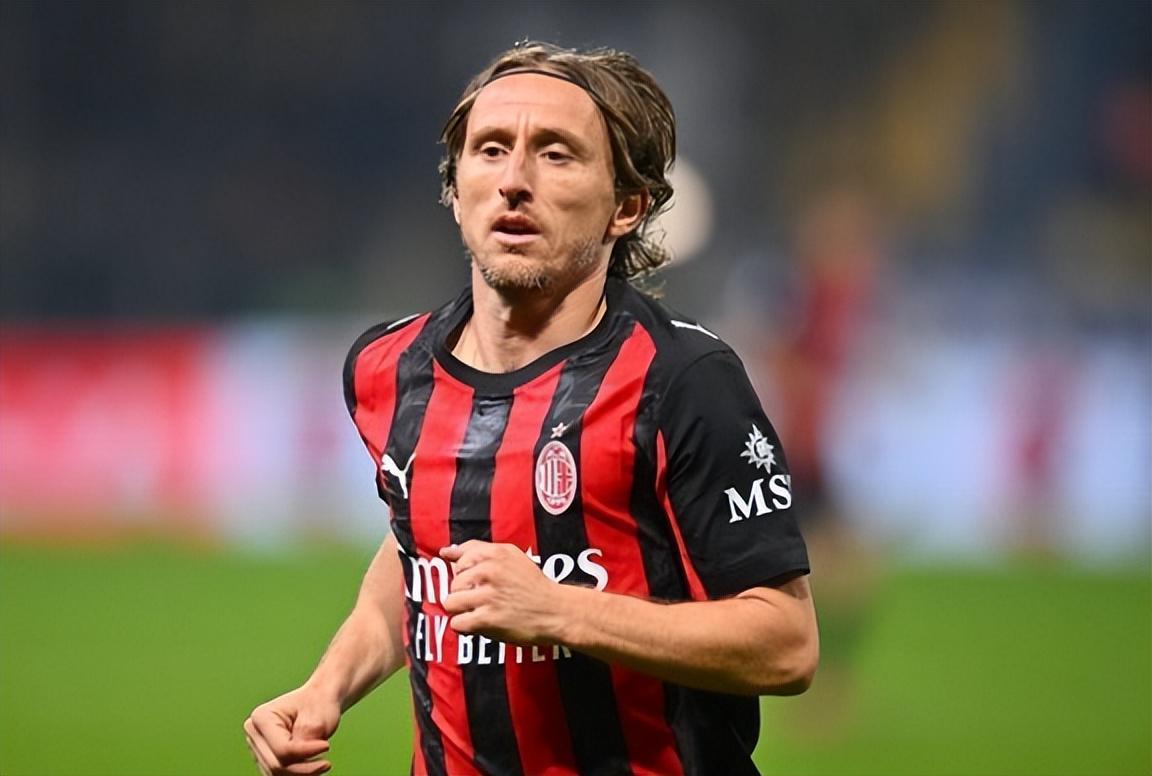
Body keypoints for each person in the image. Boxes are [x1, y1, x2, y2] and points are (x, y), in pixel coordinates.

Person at [244, 41, 818, 776]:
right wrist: (325, 689)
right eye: (490, 150)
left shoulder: (682, 380)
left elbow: (786, 643)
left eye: (556, 154)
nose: (514, 181)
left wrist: (559, 610)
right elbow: (420, 545)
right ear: (456, 192)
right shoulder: (388, 368)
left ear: (627, 207)